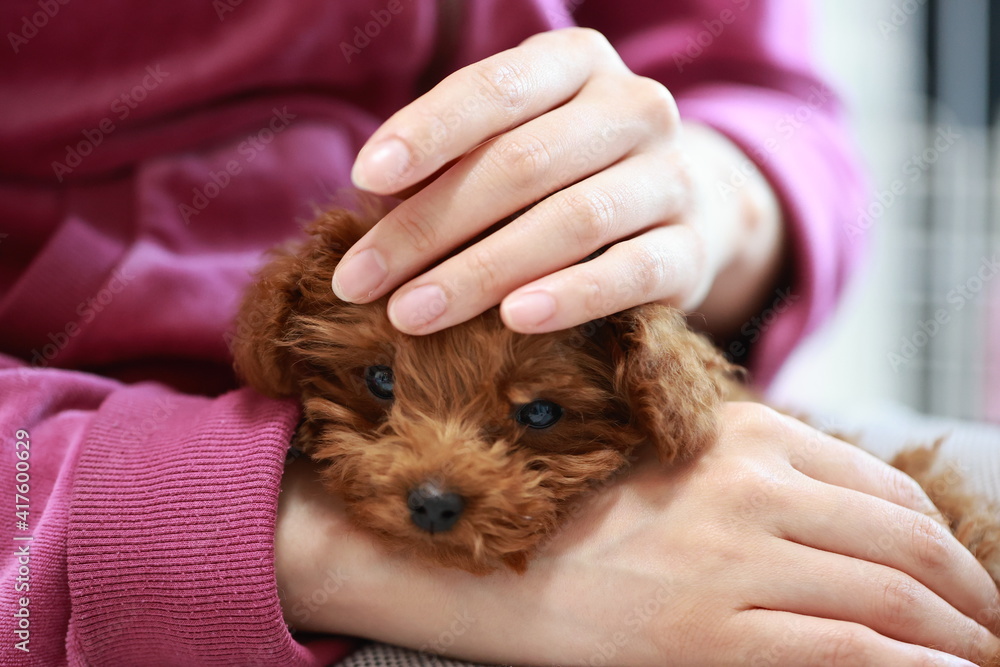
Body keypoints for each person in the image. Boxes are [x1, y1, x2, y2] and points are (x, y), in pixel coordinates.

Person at [0, 1, 997, 665]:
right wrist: (281, 540)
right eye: (387, 392)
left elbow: (758, 83)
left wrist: (703, 193)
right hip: (83, 517)